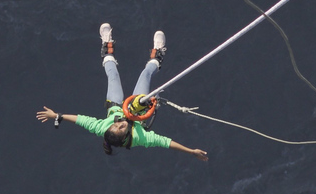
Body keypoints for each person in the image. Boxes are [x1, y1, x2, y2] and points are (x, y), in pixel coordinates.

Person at [36, 23, 208, 161]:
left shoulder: (102, 128)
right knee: (145, 74)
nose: (120, 123)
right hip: (138, 110)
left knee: (112, 73)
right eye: (122, 128)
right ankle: (157, 56)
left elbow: (80, 120)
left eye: (115, 125)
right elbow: (165, 142)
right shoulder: (139, 138)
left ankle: (106, 46)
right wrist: (190, 151)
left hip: (116, 105)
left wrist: (57, 115)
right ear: (125, 136)